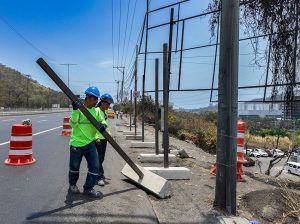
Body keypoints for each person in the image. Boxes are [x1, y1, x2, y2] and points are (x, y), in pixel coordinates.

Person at [68, 86, 105, 198]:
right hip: (77, 144)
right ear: (88, 98)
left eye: (97, 99)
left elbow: (102, 121)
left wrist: (103, 125)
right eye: (95, 99)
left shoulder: (96, 111)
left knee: (95, 167)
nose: (97, 101)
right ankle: (72, 185)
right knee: (74, 168)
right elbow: (73, 124)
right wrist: (74, 110)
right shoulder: (79, 110)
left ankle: (88, 188)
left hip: (90, 144)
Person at [95, 93, 114, 186]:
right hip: (98, 139)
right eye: (107, 103)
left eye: (109, 104)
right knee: (98, 158)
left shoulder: (105, 112)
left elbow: (106, 128)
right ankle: (99, 177)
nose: (108, 105)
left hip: (104, 139)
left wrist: (110, 136)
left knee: (101, 158)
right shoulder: (96, 111)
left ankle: (98, 173)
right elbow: (93, 126)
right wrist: (96, 137)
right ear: (102, 102)